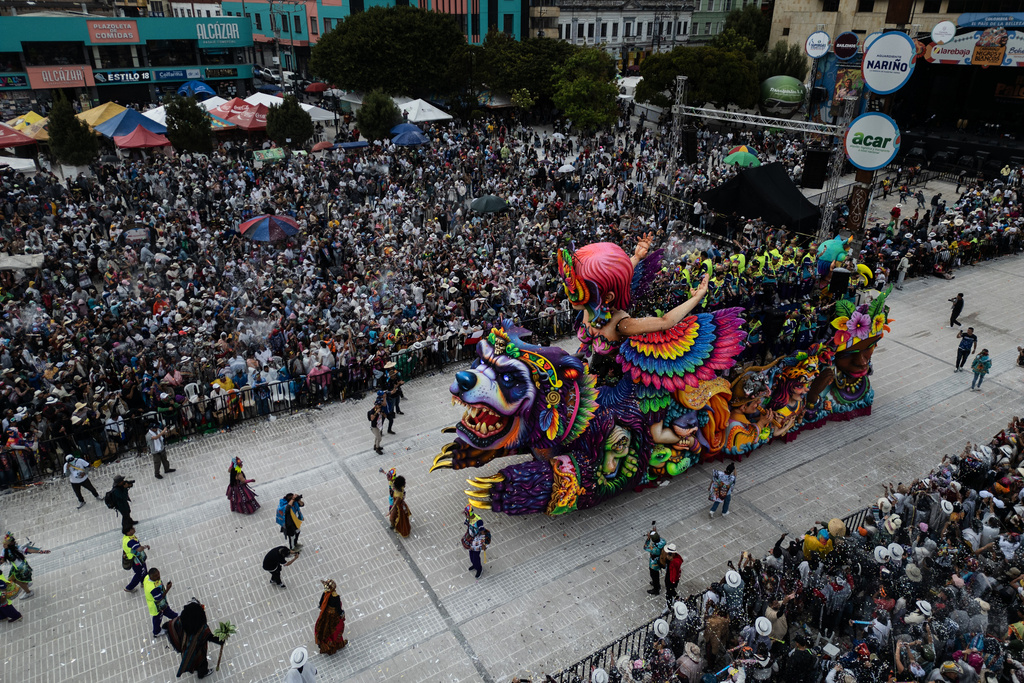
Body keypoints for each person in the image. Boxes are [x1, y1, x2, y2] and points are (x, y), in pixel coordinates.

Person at [167, 599, 224, 679]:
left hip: (186, 646)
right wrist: (221, 640)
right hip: (198, 652)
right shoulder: (202, 628)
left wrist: (166, 626)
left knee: (193, 661)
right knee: (202, 663)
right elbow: (209, 637)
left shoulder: (182, 620)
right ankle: (202, 674)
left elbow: (172, 625)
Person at [2, 532, 50, 599]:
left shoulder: (18, 548)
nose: (3, 544)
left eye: (5, 543)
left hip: (22, 569)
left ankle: (28, 592)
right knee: (12, 579)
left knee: (17, 581)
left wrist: (42, 551)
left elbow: (30, 550)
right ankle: (26, 584)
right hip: (16, 568)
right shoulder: (5, 551)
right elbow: (2, 559)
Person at [313, 578, 348, 655]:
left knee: (324, 628)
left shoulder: (325, 593)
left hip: (325, 614)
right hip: (333, 616)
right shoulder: (335, 597)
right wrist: (342, 614)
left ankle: (324, 643)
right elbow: (338, 609)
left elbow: (321, 602)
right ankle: (336, 644)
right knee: (336, 630)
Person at [143, 567, 178, 638]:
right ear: (151, 576)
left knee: (166, 610)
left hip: (159, 603)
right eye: (156, 576)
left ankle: (175, 616)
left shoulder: (147, 578)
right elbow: (160, 598)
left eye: (158, 574)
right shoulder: (153, 589)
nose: (158, 577)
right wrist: (167, 588)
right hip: (157, 606)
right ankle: (156, 632)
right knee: (158, 618)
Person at [122, 524, 149, 593]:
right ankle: (129, 588)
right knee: (139, 573)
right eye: (132, 528)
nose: (134, 528)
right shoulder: (130, 541)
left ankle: (143, 581)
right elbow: (139, 549)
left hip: (138, 557)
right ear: (129, 531)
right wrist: (145, 546)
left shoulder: (127, 537)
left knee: (144, 568)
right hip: (135, 560)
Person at [644, 527, 667, 596]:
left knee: (654, 575)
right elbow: (658, 538)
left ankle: (656, 589)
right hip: (660, 560)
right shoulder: (663, 541)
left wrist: (648, 539)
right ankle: (656, 584)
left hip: (654, 564)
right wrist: (654, 533)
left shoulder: (654, 549)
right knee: (656, 575)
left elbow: (645, 547)